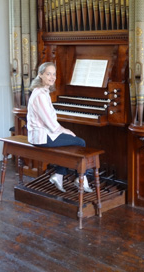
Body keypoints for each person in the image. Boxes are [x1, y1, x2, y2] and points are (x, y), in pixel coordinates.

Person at [27, 61, 93, 193]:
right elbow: (51, 124)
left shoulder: (42, 91)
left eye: (54, 74)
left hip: (42, 134)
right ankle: (82, 179)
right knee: (80, 142)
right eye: (48, 74)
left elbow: (49, 121)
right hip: (41, 137)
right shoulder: (40, 95)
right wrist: (66, 130)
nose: (52, 77)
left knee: (69, 142)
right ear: (40, 75)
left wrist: (64, 131)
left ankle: (59, 175)